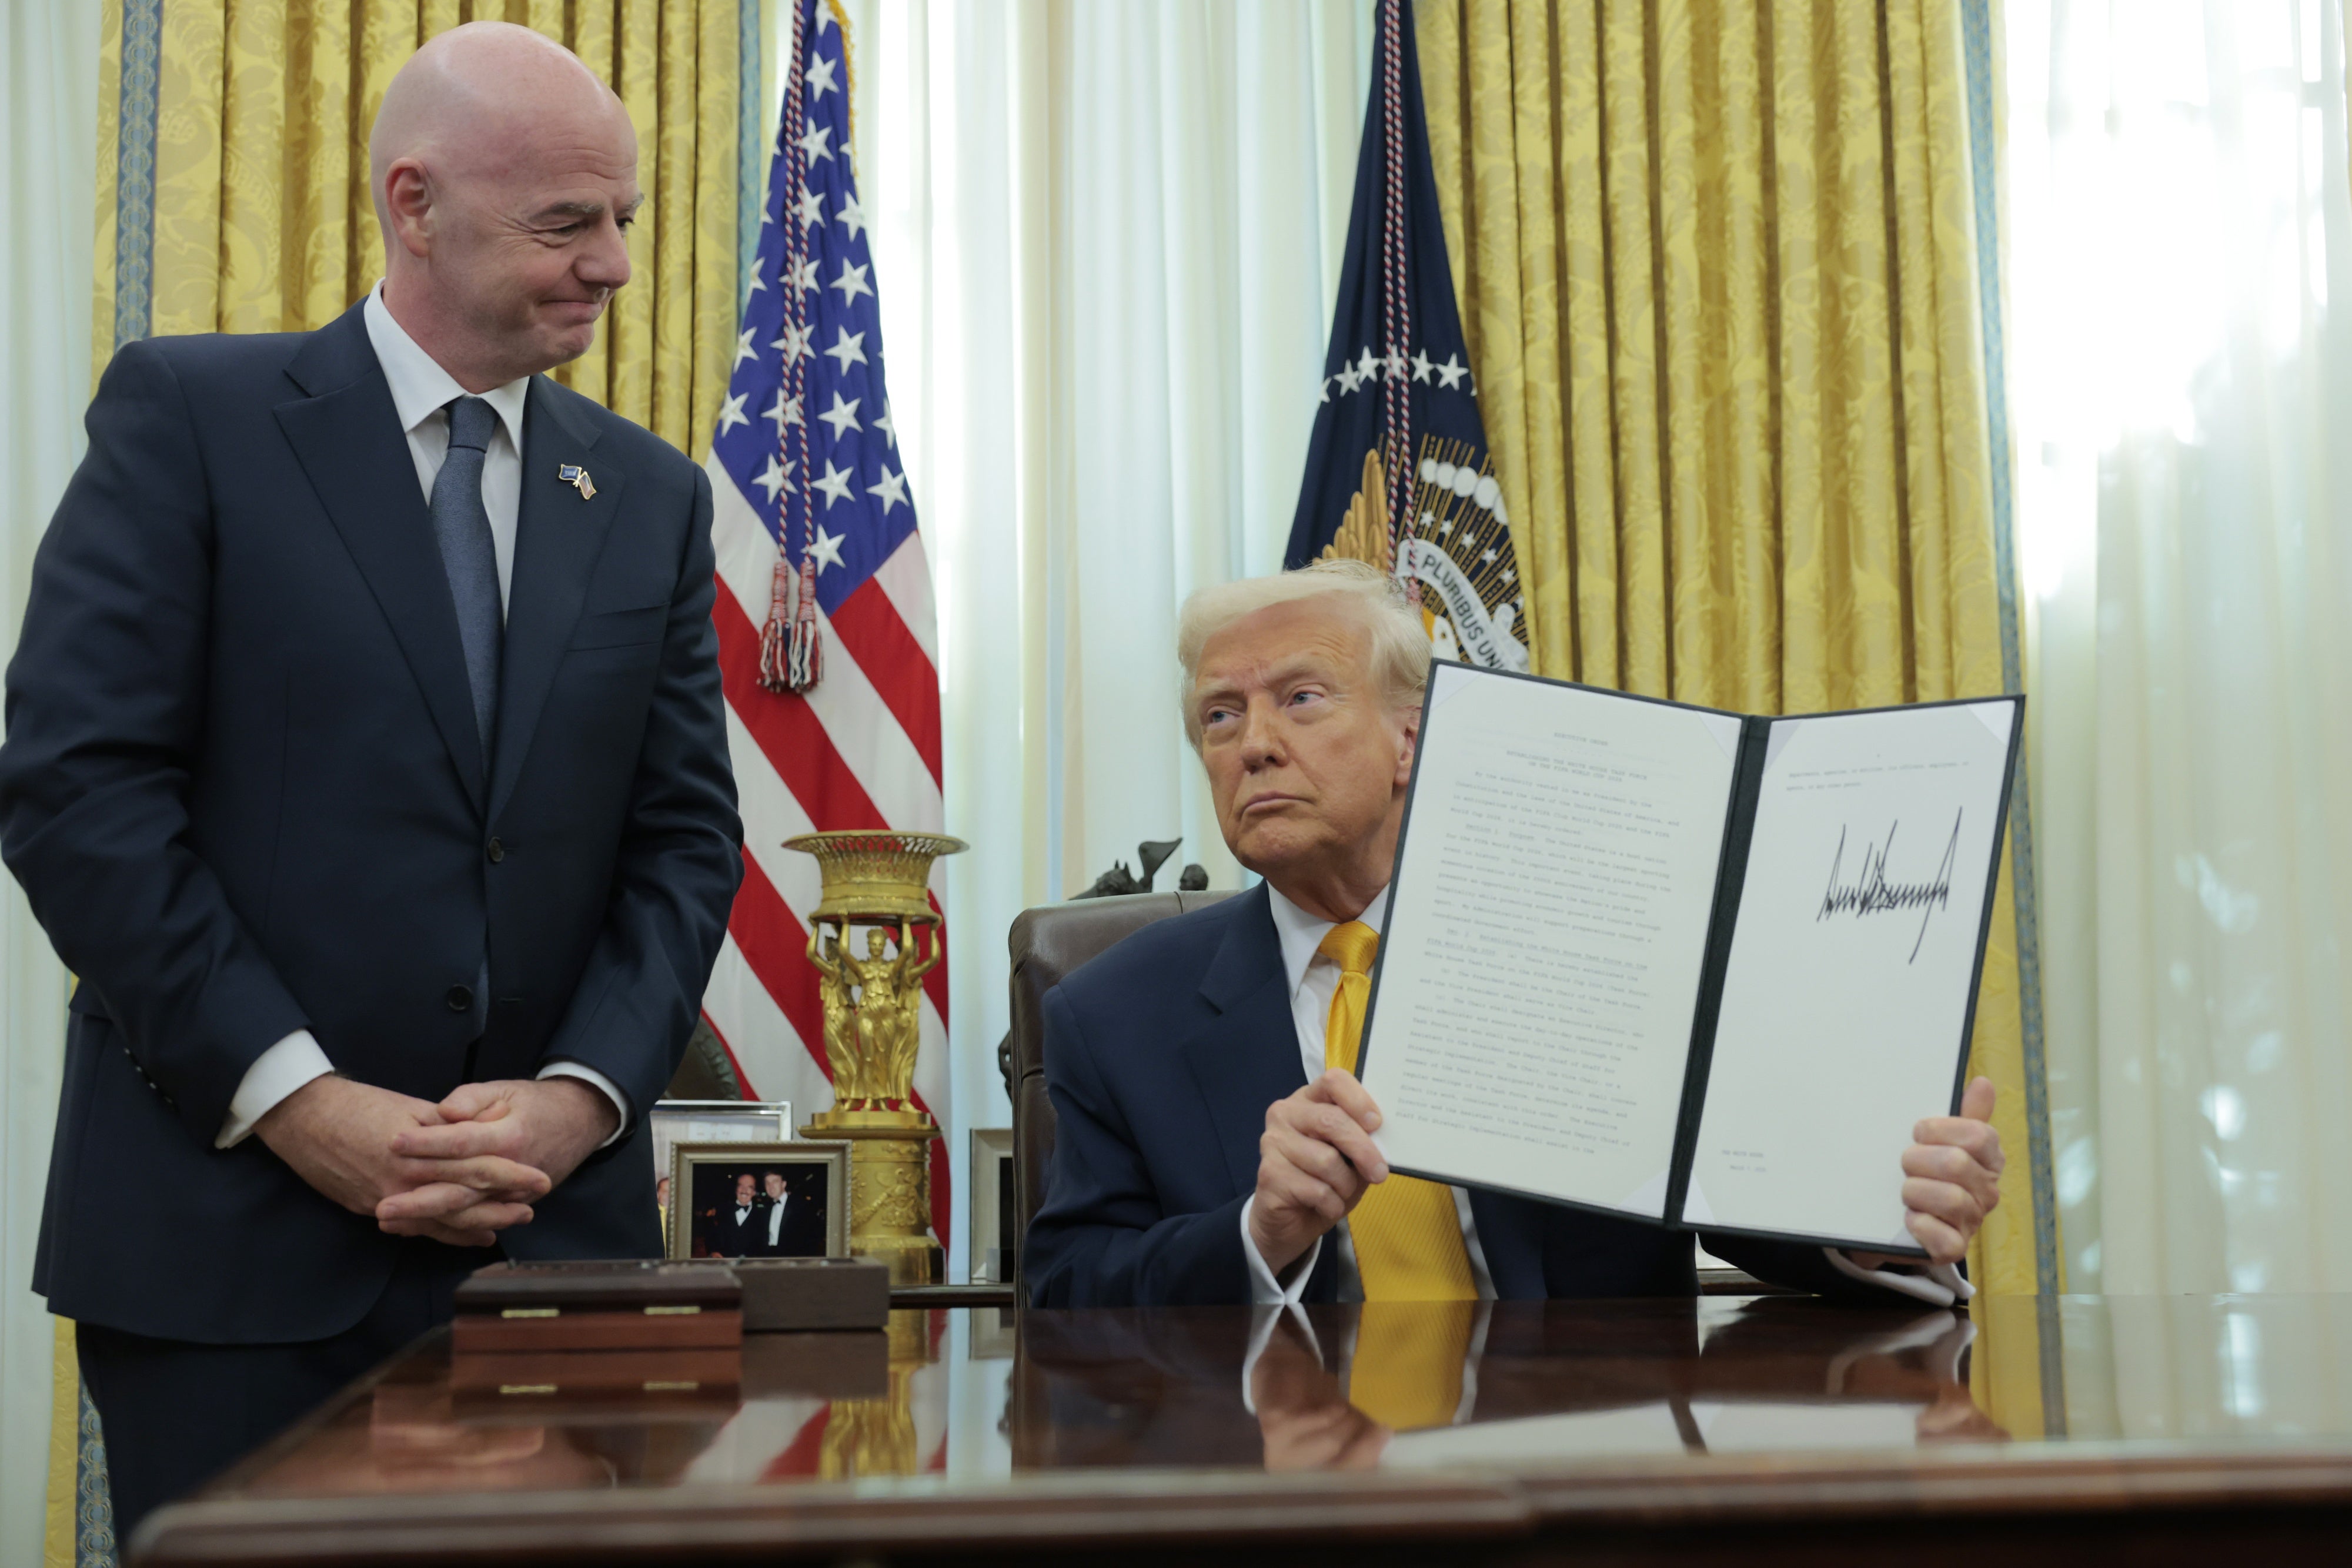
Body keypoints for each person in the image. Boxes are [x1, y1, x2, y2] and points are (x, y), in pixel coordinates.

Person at [0, 22, 742, 1532]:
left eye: (624, 221)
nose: (611, 264)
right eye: (565, 223)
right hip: (235, 1251)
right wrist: (298, 1099)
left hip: (551, 1258)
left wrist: (581, 1099)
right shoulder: (192, 420)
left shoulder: (650, 496)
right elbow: (82, 791)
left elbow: (681, 844)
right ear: (415, 205)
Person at [1023, 560, 2004, 1308]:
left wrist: (1875, 1213)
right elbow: (1065, 1288)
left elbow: (1723, 1184)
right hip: (1292, 1486)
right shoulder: (1113, 1013)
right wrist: (1258, 1229)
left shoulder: (1605, 936)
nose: (1255, 744)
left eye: (1302, 698)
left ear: (1413, 736)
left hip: (1584, 1476)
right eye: (1220, 716)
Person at [755, 1169, 828, 1257]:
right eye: (767, 1183)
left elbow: (813, 1237)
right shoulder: (766, 1208)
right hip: (769, 1257)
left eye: (775, 1182)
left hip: (792, 1258)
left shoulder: (801, 1206)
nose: (771, 1186)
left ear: (783, 1184)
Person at [703, 1174, 766, 1259]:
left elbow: (764, 1246)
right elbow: (710, 1236)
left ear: (754, 1192)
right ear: (736, 1189)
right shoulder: (722, 1210)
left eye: (750, 1187)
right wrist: (713, 1252)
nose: (744, 1190)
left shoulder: (762, 1216)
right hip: (724, 1266)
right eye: (741, 1186)